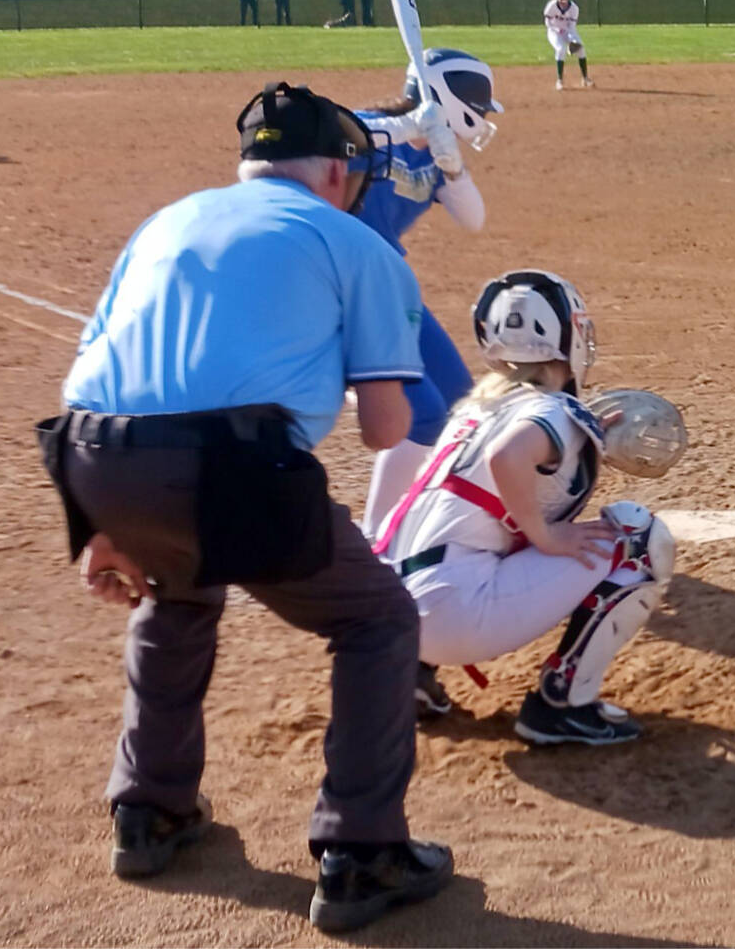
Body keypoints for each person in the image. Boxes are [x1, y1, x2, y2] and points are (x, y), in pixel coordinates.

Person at [35, 81, 453, 933]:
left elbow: (102, 379)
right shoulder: (357, 244)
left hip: (87, 450)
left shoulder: (166, 220)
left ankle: (148, 812)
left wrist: (107, 521)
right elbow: (385, 430)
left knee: (179, 589)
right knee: (376, 620)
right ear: (338, 173)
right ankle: (360, 851)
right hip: (229, 465)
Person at [372, 269, 676, 745]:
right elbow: (509, 456)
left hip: (387, 618)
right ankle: (562, 705)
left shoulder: (474, 410)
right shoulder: (552, 410)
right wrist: (545, 536)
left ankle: (408, 674)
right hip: (453, 614)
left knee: (473, 527)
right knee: (639, 540)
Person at [354, 49, 504, 557]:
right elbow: (332, 133)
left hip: (391, 288)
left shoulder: (438, 154)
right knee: (419, 413)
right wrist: (405, 129)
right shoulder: (368, 132)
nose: (482, 120)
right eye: (478, 108)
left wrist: (454, 168)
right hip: (345, 293)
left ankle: (423, 515)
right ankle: (376, 541)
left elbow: (475, 220)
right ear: (452, 101)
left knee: (461, 406)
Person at [543, 0, 593, 90]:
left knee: (581, 49)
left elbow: (572, 27)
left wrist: (573, 41)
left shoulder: (574, 8)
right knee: (561, 49)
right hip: (553, 31)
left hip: (567, 31)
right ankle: (559, 81)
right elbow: (547, 23)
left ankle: (585, 79)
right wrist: (557, 30)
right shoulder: (552, 5)